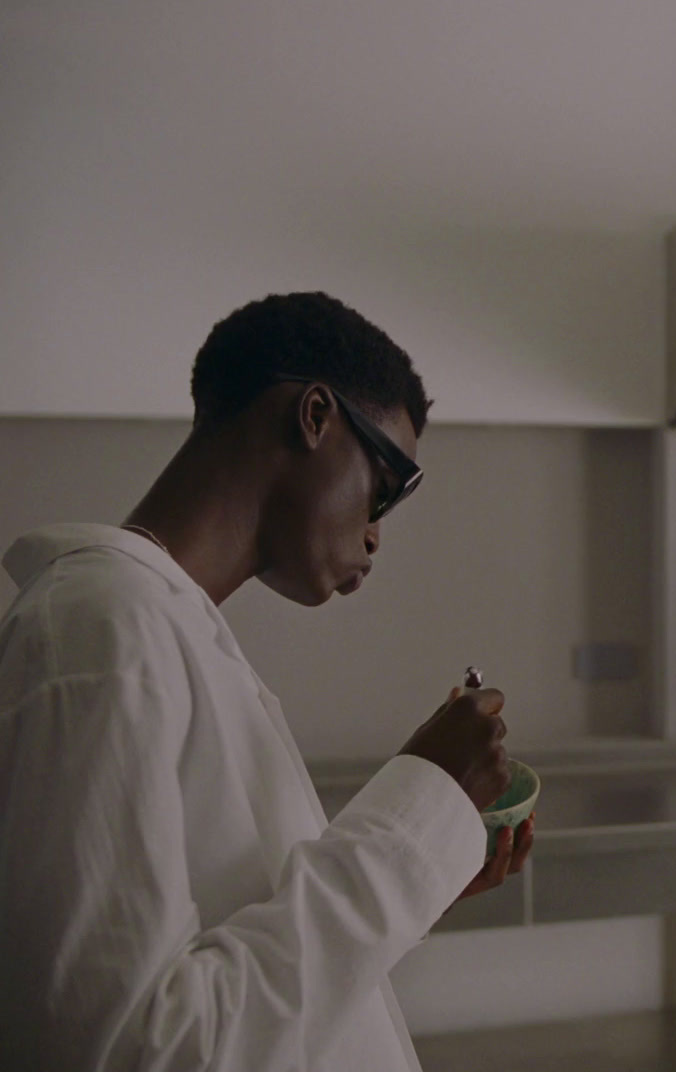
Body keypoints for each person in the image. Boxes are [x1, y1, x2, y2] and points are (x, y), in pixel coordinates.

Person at [0, 292, 536, 1070]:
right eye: (388, 485)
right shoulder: (100, 630)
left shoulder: (172, 635)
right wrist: (416, 808)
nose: (378, 531)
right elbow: (134, 1050)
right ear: (314, 416)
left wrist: (422, 876)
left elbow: (246, 976)